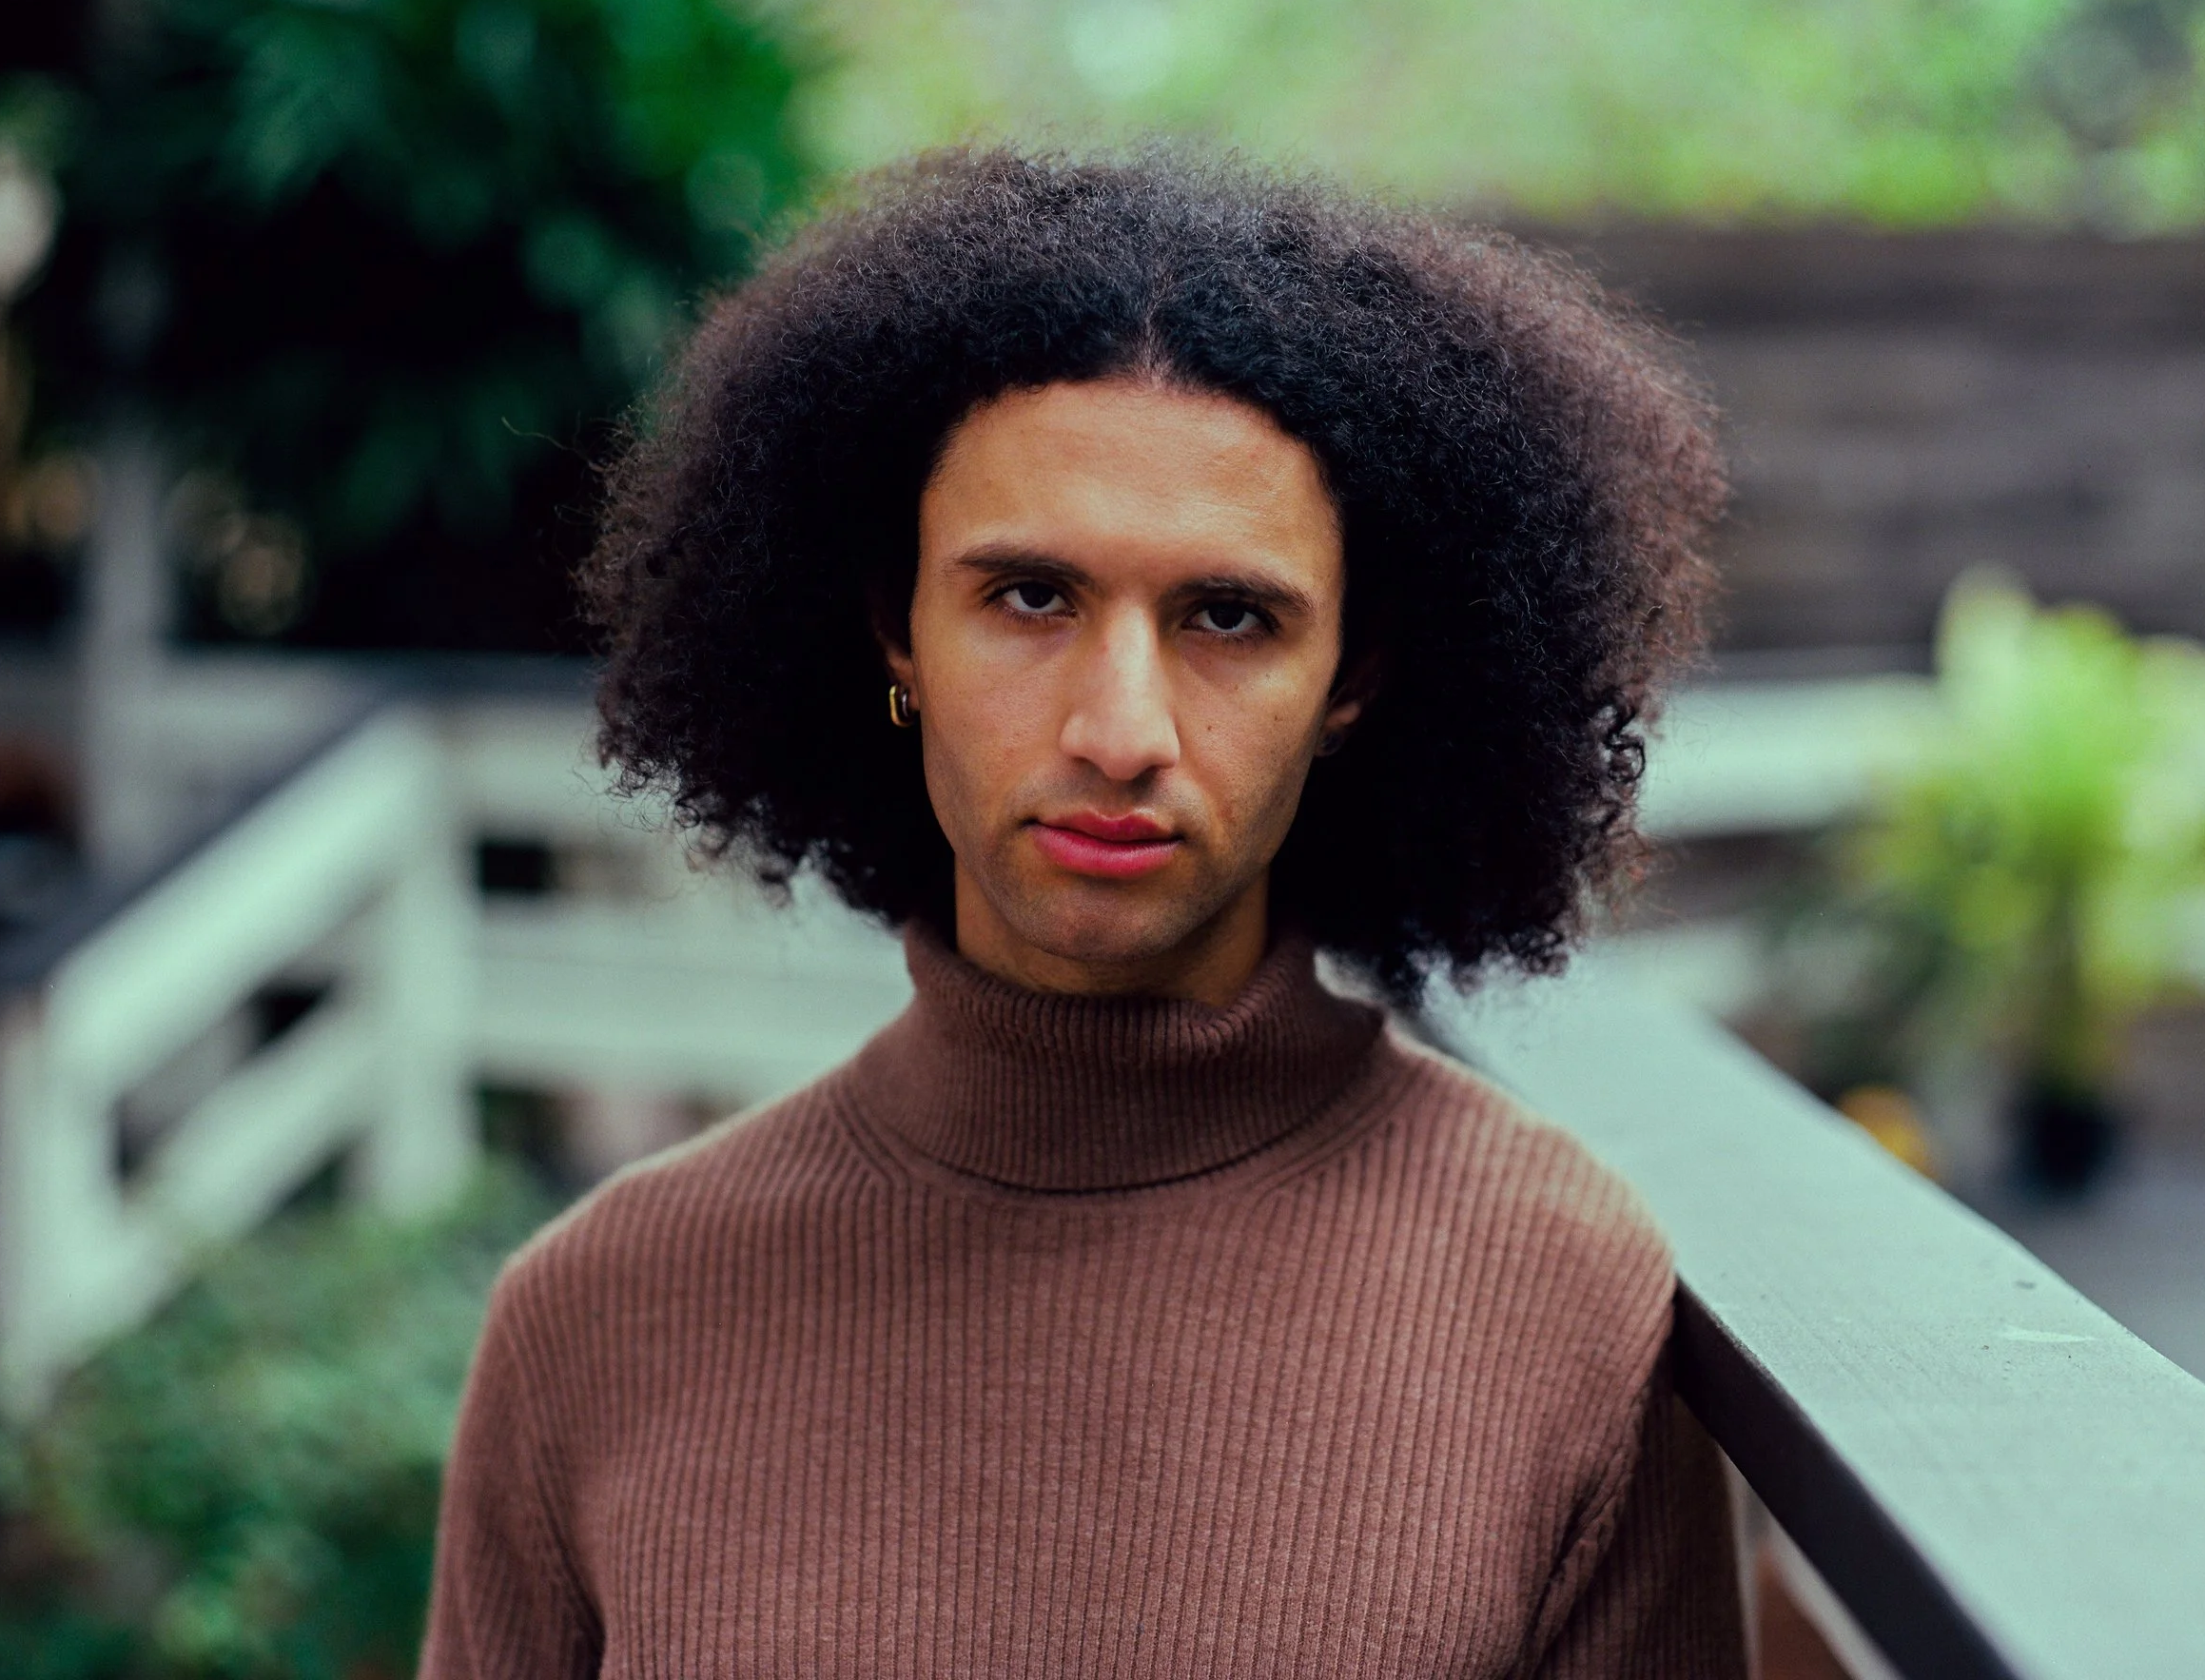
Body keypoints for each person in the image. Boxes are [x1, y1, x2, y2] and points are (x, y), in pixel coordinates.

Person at [420, 148, 1746, 1677]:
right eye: (1031, 598)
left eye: (1229, 617)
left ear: (1357, 679)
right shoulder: (600, 1320)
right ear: (891, 628)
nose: (1121, 729)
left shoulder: (1562, 1299)